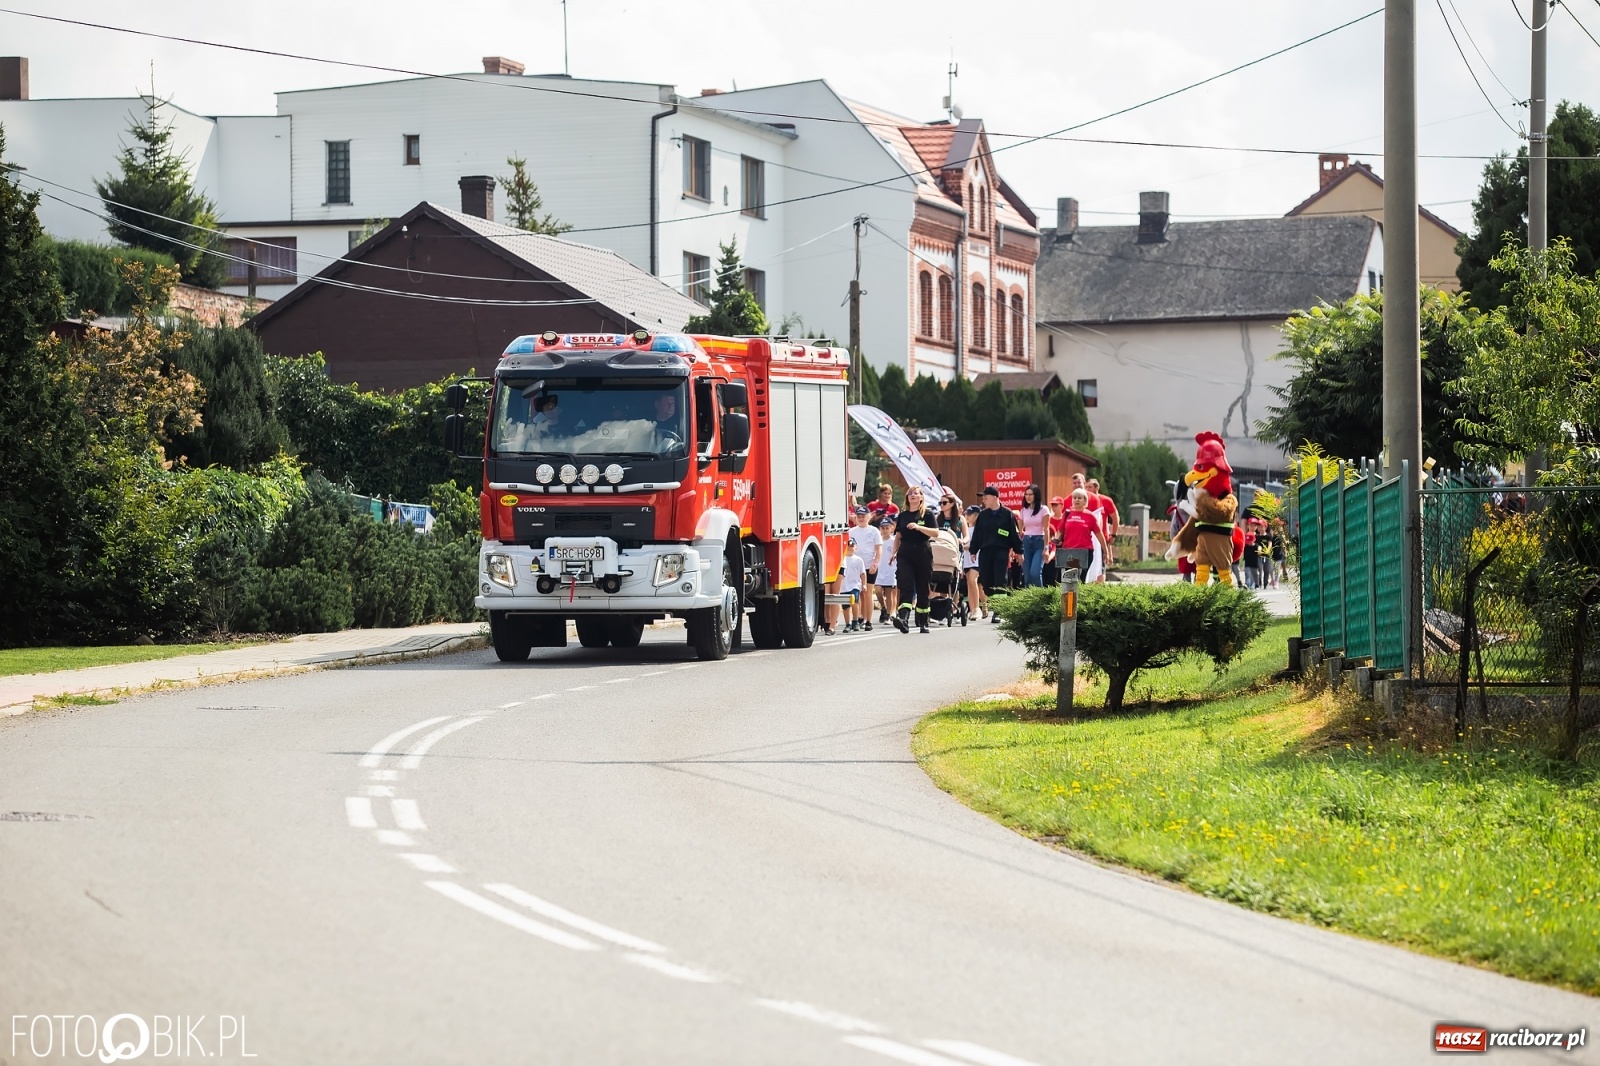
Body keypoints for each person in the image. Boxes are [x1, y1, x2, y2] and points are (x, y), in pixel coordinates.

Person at [968, 485, 1021, 622]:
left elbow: (1014, 535)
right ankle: (996, 603)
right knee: (987, 583)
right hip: (985, 552)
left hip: (1001, 551)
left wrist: (1019, 551)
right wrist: (973, 550)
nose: (984, 499)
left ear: (995, 497)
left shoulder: (1007, 514)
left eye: (986, 497)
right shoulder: (983, 515)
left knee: (1000, 580)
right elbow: (977, 535)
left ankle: (999, 611)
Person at [891, 487, 939, 634]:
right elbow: (898, 536)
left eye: (915, 493)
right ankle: (903, 619)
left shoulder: (928, 514)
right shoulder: (903, 515)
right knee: (905, 584)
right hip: (905, 552)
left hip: (922, 552)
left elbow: (936, 533)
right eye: (910, 493)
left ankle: (923, 621)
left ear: (921, 498)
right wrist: (893, 553)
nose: (912, 495)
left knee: (922, 587)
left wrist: (919, 527)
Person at [1056, 488, 1112, 578]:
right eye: (1074, 498)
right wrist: (1057, 539)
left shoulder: (1090, 516)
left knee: (1079, 580)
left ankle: (1079, 592)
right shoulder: (1067, 514)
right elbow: (1060, 531)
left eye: (1079, 498)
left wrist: (1106, 552)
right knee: (1068, 580)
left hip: (1085, 551)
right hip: (1068, 551)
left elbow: (1099, 535)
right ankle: (1069, 593)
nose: (1076, 500)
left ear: (1085, 500)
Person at [846, 507, 881, 631]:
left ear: (869, 517)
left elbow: (878, 549)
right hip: (856, 566)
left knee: (867, 593)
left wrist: (875, 564)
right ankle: (860, 616)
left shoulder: (874, 531)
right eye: (859, 516)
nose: (861, 518)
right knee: (859, 593)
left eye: (863, 516)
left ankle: (869, 621)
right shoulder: (851, 531)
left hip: (869, 565)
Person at [1017, 484, 1049, 587]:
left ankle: (1040, 597)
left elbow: (1046, 529)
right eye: (1026, 494)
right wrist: (1017, 549)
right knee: (1027, 577)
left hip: (1039, 541)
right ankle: (1030, 601)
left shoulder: (1044, 510)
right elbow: (1020, 531)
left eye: (1031, 494)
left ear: (1036, 495)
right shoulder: (1023, 511)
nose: (1028, 497)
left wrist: (1046, 548)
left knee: (1035, 573)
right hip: (1026, 541)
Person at [960, 504, 985, 618]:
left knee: (973, 580)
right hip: (966, 560)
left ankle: (977, 608)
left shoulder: (980, 529)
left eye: (970, 514)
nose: (967, 516)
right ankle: (972, 608)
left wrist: (967, 547)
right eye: (966, 514)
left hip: (977, 558)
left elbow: (979, 544)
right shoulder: (965, 529)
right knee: (969, 583)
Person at [874, 515, 899, 622]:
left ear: (892, 528)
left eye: (887, 528)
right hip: (879, 570)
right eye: (883, 528)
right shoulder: (877, 540)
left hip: (890, 570)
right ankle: (883, 608)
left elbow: (898, 551)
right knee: (878, 591)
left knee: (889, 593)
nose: (885, 530)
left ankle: (888, 614)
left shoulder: (894, 540)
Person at [838, 549, 868, 632]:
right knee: (845, 607)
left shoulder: (858, 560)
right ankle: (847, 624)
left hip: (854, 585)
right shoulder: (842, 559)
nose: (850, 548)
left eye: (852, 546)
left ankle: (855, 621)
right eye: (848, 546)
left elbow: (863, 573)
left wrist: (864, 584)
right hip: (844, 586)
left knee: (854, 601)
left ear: (856, 548)